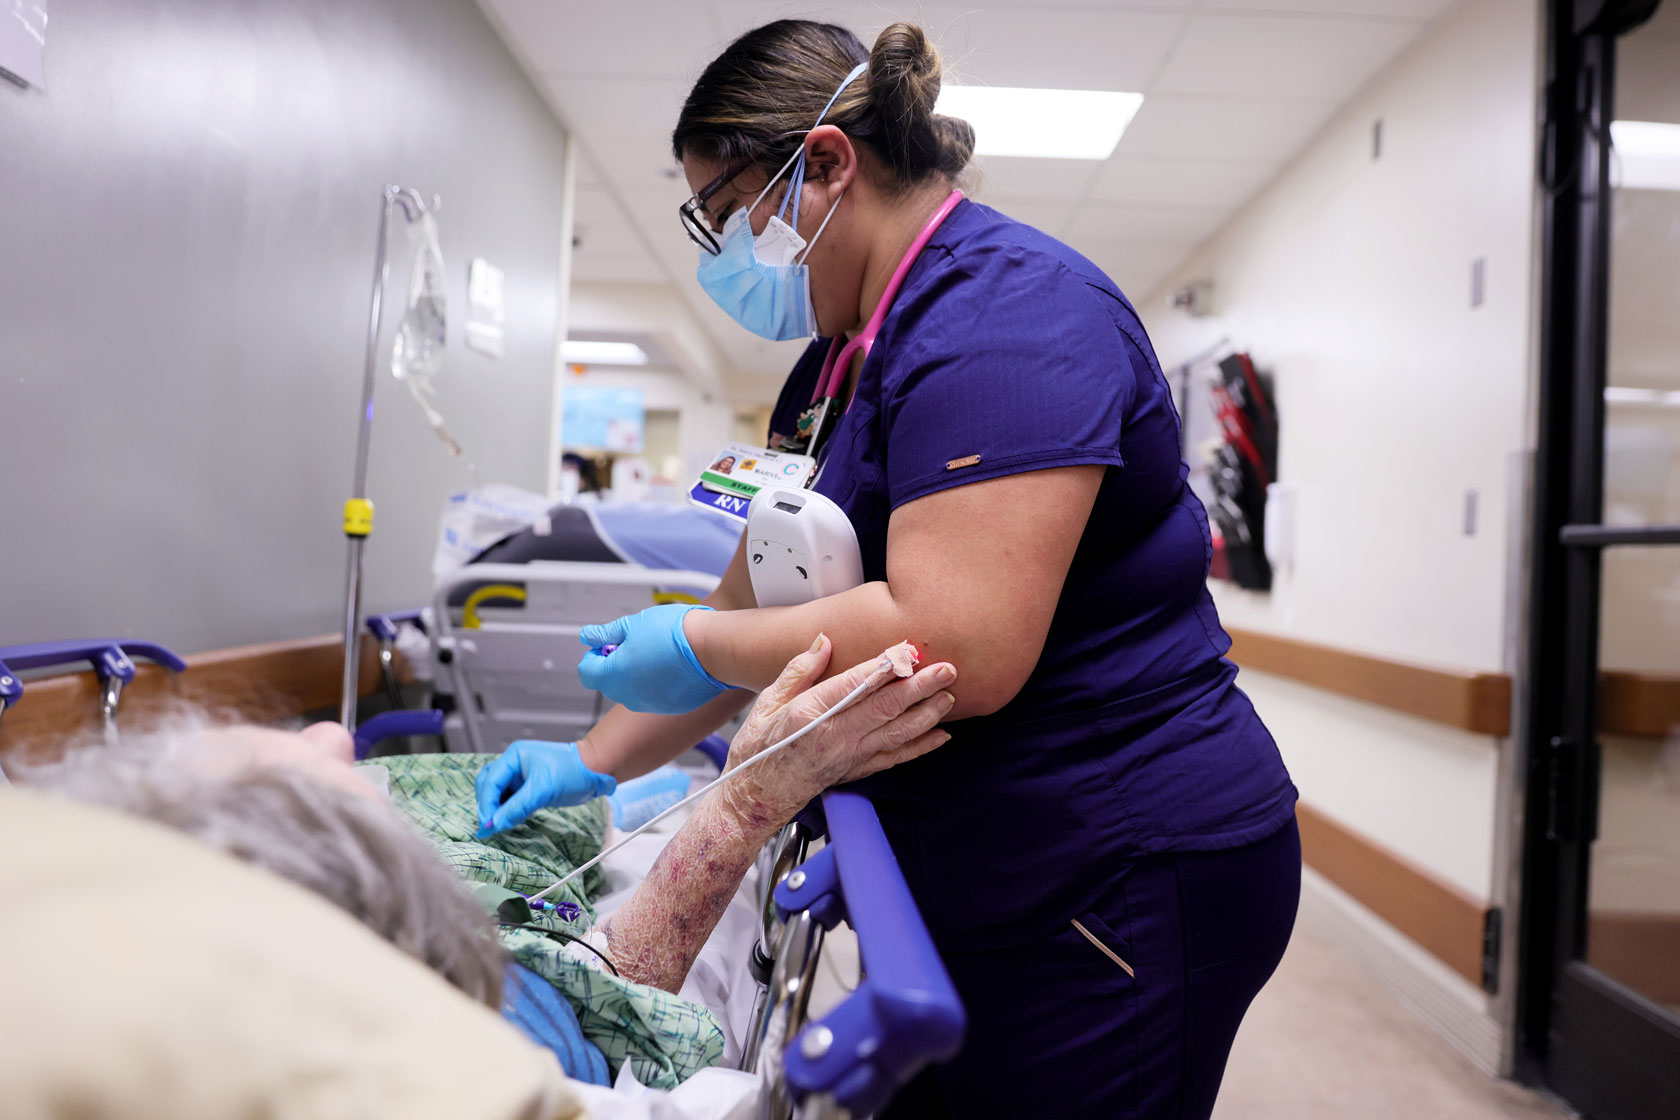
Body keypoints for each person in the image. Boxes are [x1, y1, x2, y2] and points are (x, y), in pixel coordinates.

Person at [474, 18, 1301, 1118]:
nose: (718, 253)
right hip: (981, 860)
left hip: (1118, 860)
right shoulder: (832, 364)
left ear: (823, 165)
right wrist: (594, 758)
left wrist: (696, 641)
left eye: (723, 215)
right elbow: (753, 607)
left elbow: (963, 641)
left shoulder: (1011, 318)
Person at [24, 638, 954, 1097]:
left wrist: (598, 770)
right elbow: (609, 982)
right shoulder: (453, 1018)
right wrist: (747, 800)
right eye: (324, 777)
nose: (333, 734)